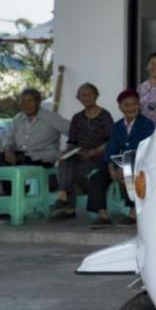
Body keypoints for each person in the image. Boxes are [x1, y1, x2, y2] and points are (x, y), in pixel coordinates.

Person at [87, 89, 155, 227]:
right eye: (126, 105)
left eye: (134, 104)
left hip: (139, 163)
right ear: (120, 107)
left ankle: (133, 214)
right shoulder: (118, 126)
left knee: (128, 174)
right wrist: (111, 169)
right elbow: (111, 149)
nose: (131, 108)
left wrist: (125, 168)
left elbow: (147, 150)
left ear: (139, 105)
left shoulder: (147, 124)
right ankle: (103, 216)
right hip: (119, 162)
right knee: (97, 177)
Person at [50, 83, 114, 220]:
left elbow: (111, 141)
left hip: (99, 156)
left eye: (90, 94)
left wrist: (93, 152)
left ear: (96, 95)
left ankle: (67, 205)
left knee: (70, 171)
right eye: (83, 95)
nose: (87, 97)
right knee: (65, 160)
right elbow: (72, 141)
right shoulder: (77, 118)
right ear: (78, 98)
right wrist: (67, 152)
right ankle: (64, 198)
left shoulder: (105, 116)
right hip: (80, 154)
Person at [2, 88, 69, 195]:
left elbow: (74, 132)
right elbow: (8, 139)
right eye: (23, 101)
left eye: (30, 101)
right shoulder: (17, 119)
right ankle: (10, 197)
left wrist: (69, 149)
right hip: (21, 157)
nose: (26, 105)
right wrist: (7, 148)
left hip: (42, 159)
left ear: (38, 102)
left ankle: (19, 196)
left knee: (20, 168)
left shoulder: (51, 117)